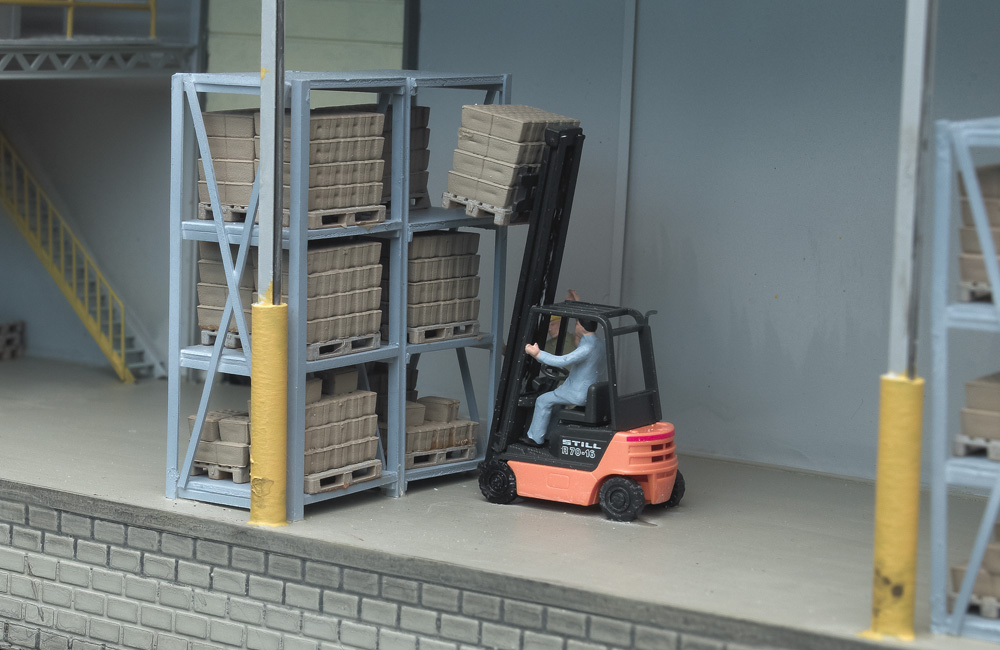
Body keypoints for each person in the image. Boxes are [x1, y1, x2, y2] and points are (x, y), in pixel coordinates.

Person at [521, 318, 604, 446]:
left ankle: (535, 438)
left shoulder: (587, 347)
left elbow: (563, 361)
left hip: (577, 392)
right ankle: (549, 436)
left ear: (580, 326)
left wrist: (537, 354)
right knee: (555, 405)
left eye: (576, 323)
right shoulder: (598, 342)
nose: (575, 327)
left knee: (542, 400)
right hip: (584, 389)